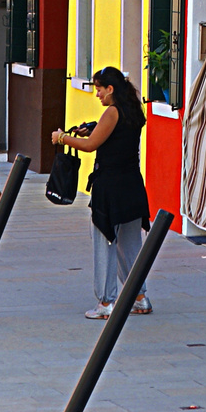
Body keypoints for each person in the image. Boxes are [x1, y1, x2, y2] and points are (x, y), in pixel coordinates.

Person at [51, 66, 152, 320]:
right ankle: (139, 297)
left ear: (111, 89)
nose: (97, 94)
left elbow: (90, 145)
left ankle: (106, 302)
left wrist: (62, 138)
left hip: (110, 187)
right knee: (130, 245)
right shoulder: (133, 110)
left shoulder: (112, 112)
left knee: (105, 242)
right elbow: (116, 136)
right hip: (132, 185)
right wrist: (95, 126)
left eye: (99, 89)